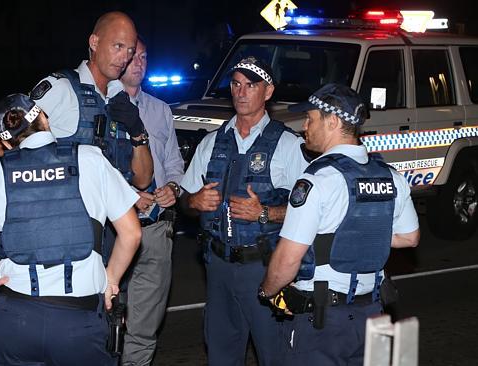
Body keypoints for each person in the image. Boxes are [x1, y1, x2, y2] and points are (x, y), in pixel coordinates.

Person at [0, 93, 141, 365]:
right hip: (78, 322)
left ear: (6, 141)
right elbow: (132, 233)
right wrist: (111, 280)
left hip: (15, 321)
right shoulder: (90, 159)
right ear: (44, 117)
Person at [258, 84, 420, 365]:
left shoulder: (317, 181)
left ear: (332, 122)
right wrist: (359, 230)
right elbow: (409, 237)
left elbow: (287, 259)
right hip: (374, 315)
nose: (304, 126)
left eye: (310, 118)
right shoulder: (390, 176)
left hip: (323, 323)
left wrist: (267, 291)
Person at [179, 57, 309, 365]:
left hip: (264, 269)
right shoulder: (212, 142)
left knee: (274, 354)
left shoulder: (288, 145)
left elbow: (311, 214)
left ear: (267, 92)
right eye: (236, 84)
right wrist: (193, 202)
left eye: (251, 85)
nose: (241, 92)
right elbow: (185, 200)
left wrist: (264, 213)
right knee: (221, 355)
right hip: (218, 268)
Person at [110, 37, 185, 366]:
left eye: (144, 56)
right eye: (132, 56)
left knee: (143, 328)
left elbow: (174, 165)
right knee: (104, 319)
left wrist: (173, 188)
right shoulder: (100, 105)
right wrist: (126, 195)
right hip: (111, 230)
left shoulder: (160, 109)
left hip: (155, 229)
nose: (138, 62)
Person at [29, 11, 153, 190]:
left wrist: (136, 130)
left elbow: (142, 180)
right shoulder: (61, 89)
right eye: (118, 46)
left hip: (106, 216)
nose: (125, 58)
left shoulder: (123, 101)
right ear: (94, 42)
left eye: (130, 51)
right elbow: (5, 147)